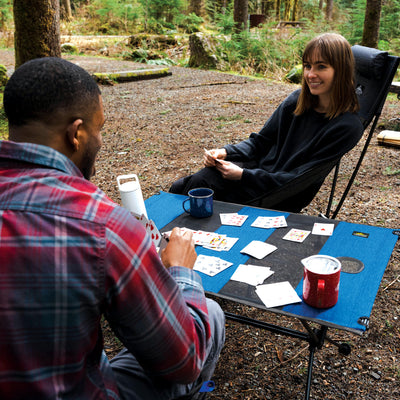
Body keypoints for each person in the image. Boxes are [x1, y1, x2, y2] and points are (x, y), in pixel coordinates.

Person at [0, 57, 225, 400]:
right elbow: (183, 360)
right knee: (210, 313)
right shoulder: (103, 226)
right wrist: (181, 272)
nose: (101, 141)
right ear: (75, 134)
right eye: (99, 128)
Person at [170, 33, 364, 210]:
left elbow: (299, 180)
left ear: (341, 70)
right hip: (257, 171)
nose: (310, 74)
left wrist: (243, 175)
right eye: (307, 66)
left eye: (321, 66)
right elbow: (259, 142)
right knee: (184, 186)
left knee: (196, 188)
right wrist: (226, 152)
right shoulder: (296, 101)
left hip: (278, 193)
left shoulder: (347, 127)